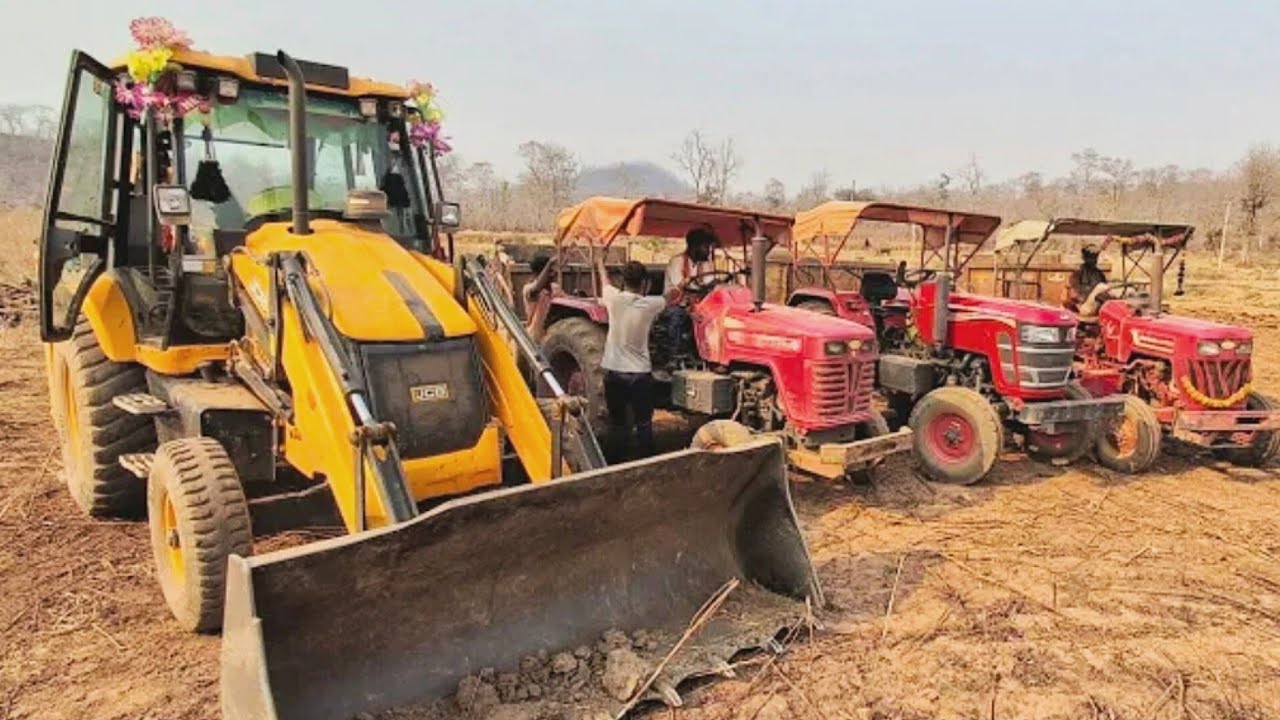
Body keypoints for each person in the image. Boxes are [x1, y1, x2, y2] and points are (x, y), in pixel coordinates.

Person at [598, 255, 676, 461]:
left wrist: (599, 262)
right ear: (645, 283)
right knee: (643, 424)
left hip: (614, 373)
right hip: (640, 376)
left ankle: (613, 463)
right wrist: (681, 285)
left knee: (617, 424)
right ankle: (647, 462)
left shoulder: (613, 298)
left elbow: (604, 282)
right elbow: (671, 297)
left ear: (624, 281)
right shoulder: (651, 304)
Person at [521, 252, 561, 341]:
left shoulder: (556, 288)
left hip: (551, 340)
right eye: (550, 270)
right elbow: (536, 290)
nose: (554, 273)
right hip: (535, 339)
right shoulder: (528, 288)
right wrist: (549, 263)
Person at [1063, 243, 1109, 314]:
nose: (1093, 259)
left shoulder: (1100, 274)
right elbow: (1073, 294)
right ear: (1084, 257)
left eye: (1095, 257)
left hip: (1097, 305)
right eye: (1090, 257)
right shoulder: (1077, 274)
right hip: (1081, 306)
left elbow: (1105, 290)